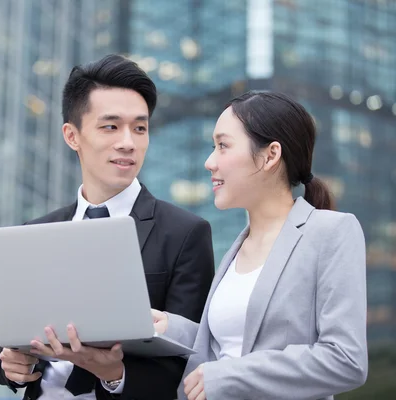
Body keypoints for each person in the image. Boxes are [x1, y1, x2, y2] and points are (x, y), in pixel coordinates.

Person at [0, 54, 215, 400]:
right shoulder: (37, 231)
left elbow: (188, 364)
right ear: (72, 135)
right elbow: (3, 336)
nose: (128, 142)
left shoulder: (185, 234)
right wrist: (10, 365)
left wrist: (114, 374)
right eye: (111, 126)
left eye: (140, 128)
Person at [153, 91, 368, 400]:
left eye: (223, 145)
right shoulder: (237, 246)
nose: (209, 162)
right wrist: (171, 328)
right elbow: (234, 344)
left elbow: (345, 359)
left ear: (270, 155)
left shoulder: (331, 231)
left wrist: (233, 376)